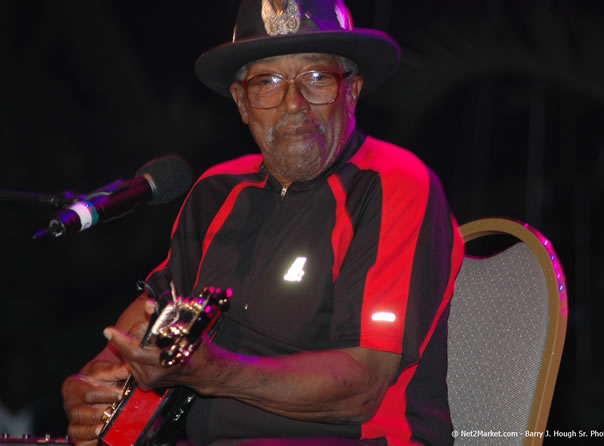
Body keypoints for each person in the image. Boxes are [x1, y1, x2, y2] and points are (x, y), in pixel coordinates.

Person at [61, 1, 464, 445]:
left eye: (316, 78)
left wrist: (215, 373)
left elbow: (363, 386)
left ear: (352, 91)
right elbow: (143, 320)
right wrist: (93, 383)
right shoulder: (215, 192)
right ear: (242, 102)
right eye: (268, 82)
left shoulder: (393, 184)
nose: (294, 103)